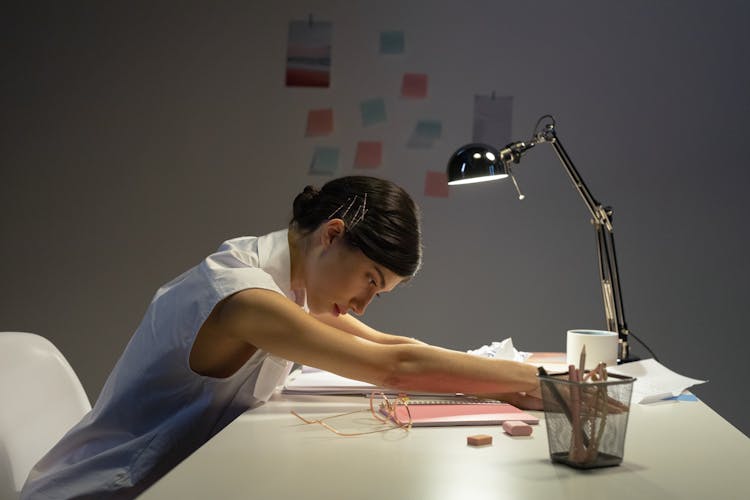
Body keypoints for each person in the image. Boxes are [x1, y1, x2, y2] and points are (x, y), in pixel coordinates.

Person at [21, 175, 541, 499]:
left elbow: (390, 346)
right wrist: (544, 381)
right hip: (101, 492)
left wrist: (520, 380)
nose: (362, 304)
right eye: (370, 282)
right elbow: (392, 368)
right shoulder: (243, 295)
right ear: (332, 235)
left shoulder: (283, 277)